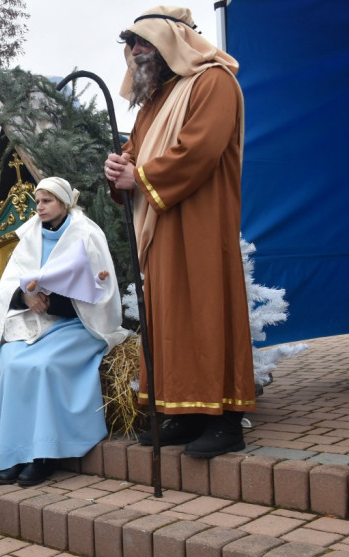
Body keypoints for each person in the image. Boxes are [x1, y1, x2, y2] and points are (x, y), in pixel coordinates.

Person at [104, 6, 256, 457]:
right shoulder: (154, 101)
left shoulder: (214, 82)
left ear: (173, 40)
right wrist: (117, 168)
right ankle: (186, 414)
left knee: (208, 307)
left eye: (142, 41)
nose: (135, 52)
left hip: (202, 219)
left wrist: (141, 177)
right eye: (130, 44)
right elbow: (135, 153)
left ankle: (226, 421)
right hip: (162, 222)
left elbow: (200, 150)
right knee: (170, 317)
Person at [0, 178, 130, 487]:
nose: (39, 207)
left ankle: (44, 456)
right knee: (8, 363)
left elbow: (102, 291)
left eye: (47, 201)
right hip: (35, 321)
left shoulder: (86, 234)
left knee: (42, 366)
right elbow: (8, 282)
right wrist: (25, 295)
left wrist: (55, 302)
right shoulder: (30, 233)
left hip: (78, 323)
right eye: (38, 201)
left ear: (64, 203)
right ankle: (12, 453)